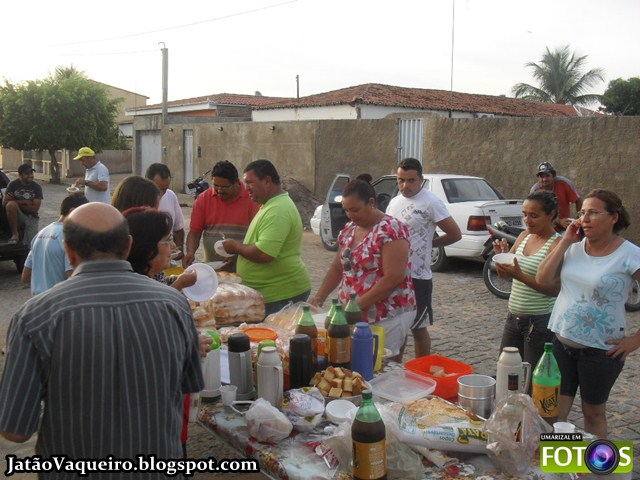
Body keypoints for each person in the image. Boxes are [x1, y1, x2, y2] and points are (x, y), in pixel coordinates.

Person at [0, 203, 203, 468]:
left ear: (68, 251)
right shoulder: (174, 304)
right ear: (128, 246)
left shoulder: (34, 317)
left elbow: (15, 430)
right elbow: (190, 384)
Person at [536, 189, 640, 438]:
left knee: (592, 413)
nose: (585, 218)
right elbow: (542, 278)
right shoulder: (572, 247)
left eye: (593, 213)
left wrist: (635, 340)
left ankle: (596, 471)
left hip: (601, 351)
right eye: (582, 213)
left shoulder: (629, 254)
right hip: (561, 344)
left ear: (614, 217)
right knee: (553, 413)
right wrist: (564, 241)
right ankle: (558, 471)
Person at [309, 179, 416, 359]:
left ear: (371, 203)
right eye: (346, 210)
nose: (350, 215)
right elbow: (338, 267)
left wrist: (354, 307)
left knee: (380, 365)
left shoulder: (391, 229)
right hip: (354, 314)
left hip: (386, 314)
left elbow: (393, 278)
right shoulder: (350, 229)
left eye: (355, 209)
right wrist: (319, 297)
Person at [386, 158, 461, 359]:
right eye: (401, 180)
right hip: (395, 276)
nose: (405, 185)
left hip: (418, 277)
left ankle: (421, 371)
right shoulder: (394, 202)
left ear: (421, 179)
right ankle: (395, 368)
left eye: (411, 180)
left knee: (418, 328)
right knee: (397, 327)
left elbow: (455, 234)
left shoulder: (430, 202)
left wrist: (431, 244)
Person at [222, 160, 311, 315]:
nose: (246, 188)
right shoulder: (270, 205)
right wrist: (240, 254)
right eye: (245, 183)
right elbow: (261, 243)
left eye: (250, 182)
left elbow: (264, 254)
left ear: (268, 181)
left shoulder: (278, 209)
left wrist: (236, 247)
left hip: (281, 295)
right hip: (271, 294)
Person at [493, 191, 562, 377]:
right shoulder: (524, 237)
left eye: (534, 215)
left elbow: (555, 290)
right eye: (524, 214)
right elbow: (506, 276)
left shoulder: (557, 245)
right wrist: (502, 261)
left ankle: (529, 407)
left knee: (530, 377)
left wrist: (520, 275)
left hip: (539, 322)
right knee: (506, 371)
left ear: (551, 214)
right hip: (513, 317)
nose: (527, 220)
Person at [184, 160, 259, 270]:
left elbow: (258, 238)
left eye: (225, 187)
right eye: (216, 185)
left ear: (236, 183)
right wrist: (190, 252)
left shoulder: (252, 199)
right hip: (212, 269)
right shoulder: (203, 199)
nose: (219, 190)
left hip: (244, 269)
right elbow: (195, 232)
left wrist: (238, 251)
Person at [22, 194, 89, 295]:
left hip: (38, 301)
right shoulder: (70, 237)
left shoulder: (40, 234)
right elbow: (72, 276)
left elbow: (25, 277)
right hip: (59, 302)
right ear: (72, 211)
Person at [123, 207, 196, 291]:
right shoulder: (134, 284)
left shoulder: (155, 274)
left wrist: (174, 279)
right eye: (168, 240)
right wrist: (180, 284)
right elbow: (159, 300)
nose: (173, 246)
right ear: (148, 248)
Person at [146, 163, 186, 261]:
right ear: (147, 181)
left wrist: (179, 250)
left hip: (167, 261)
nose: (162, 193)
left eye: (165, 189)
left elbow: (178, 229)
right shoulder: (138, 198)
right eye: (158, 189)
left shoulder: (171, 196)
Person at [530, 161, 581, 230]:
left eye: (547, 176)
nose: (544, 179)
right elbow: (535, 213)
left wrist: (579, 219)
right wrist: (559, 221)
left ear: (553, 175)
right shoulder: (535, 191)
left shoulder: (564, 183)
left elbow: (577, 200)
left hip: (564, 227)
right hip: (544, 229)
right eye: (541, 177)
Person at [2, 163, 42, 245]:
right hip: (17, 215)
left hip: (32, 217)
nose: (30, 175)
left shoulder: (36, 187)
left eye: (31, 173)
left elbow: (34, 209)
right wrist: (24, 202)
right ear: (20, 175)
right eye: (27, 174)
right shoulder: (13, 185)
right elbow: (4, 203)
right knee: (11, 205)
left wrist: (15, 202)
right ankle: (15, 234)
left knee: (31, 245)